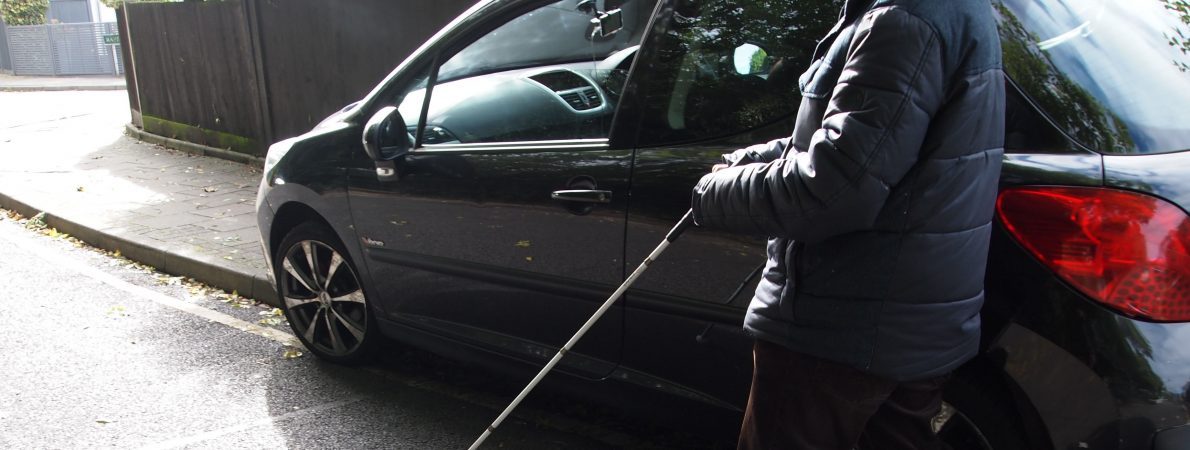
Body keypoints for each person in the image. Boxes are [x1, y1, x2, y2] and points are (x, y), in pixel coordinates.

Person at [689, 0, 1005, 448]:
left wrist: (711, 194)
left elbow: (834, 189)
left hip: (839, 330)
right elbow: (860, 139)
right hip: (906, 328)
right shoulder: (958, 10)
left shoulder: (903, 20)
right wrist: (747, 160)